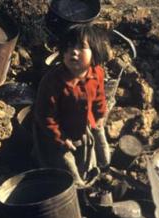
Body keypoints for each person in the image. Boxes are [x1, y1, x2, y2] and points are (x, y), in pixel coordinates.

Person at [32, 23, 111, 187]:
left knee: (94, 145)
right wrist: (61, 138)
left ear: (95, 53)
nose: (73, 52)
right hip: (56, 130)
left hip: (82, 123)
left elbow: (99, 96)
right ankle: (76, 187)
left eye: (81, 47)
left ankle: (101, 171)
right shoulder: (53, 81)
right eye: (68, 48)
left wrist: (100, 114)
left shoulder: (97, 73)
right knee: (66, 162)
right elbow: (45, 116)